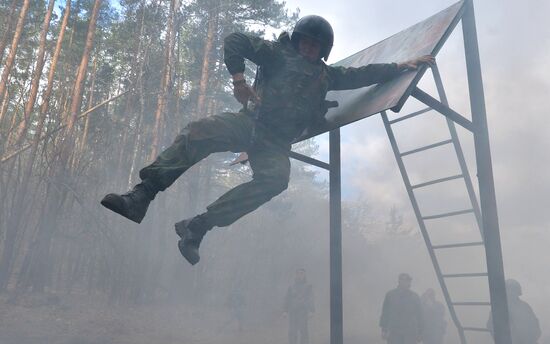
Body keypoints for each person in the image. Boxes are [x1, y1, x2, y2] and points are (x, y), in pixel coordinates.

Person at [100, 15, 434, 265]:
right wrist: (238, 79)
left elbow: (364, 75)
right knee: (198, 131)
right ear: (297, 40)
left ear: (323, 50)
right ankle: (140, 196)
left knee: (276, 179)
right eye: (304, 41)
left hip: (275, 144)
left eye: (314, 45)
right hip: (250, 125)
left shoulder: (327, 75)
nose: (308, 47)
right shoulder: (277, 54)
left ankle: (198, 227)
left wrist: (401, 66)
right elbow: (235, 41)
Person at [487, 279, 541, 344]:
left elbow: (534, 324)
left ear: (517, 292)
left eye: (513, 290)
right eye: (509, 290)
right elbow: (490, 325)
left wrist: (532, 338)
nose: (511, 293)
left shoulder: (525, 306)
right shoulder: (498, 308)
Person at [379, 273, 423, 344]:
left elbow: (420, 315)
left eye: (408, 280)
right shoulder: (390, 295)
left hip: (410, 332)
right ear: (399, 281)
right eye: (404, 280)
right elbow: (385, 313)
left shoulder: (415, 297)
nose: (406, 282)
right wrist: (384, 329)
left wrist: (420, 332)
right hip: (394, 331)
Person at [283, 268, 314, 344]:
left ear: (304, 275)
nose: (300, 275)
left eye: (302, 273)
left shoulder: (308, 286)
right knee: (292, 331)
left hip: (303, 311)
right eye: (298, 273)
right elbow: (287, 298)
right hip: (292, 312)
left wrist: (311, 310)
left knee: (303, 330)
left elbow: (311, 298)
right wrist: (285, 311)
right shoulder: (291, 286)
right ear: (296, 275)